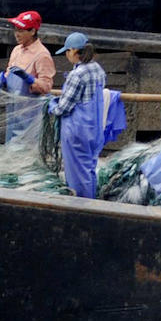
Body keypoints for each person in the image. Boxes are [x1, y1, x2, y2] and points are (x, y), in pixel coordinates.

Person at [49, 32, 108, 199]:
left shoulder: (77, 74)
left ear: (74, 51)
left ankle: (81, 209)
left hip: (77, 132)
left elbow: (64, 108)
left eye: (67, 52)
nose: (67, 56)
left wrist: (52, 105)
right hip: (94, 130)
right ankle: (93, 204)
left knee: (76, 175)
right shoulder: (98, 69)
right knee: (89, 170)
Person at [3, 10, 55, 96]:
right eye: (15, 30)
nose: (17, 34)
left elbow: (46, 86)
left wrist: (30, 79)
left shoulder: (42, 55)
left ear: (32, 31)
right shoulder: (17, 50)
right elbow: (8, 74)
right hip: (12, 103)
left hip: (31, 106)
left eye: (21, 31)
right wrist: (3, 80)